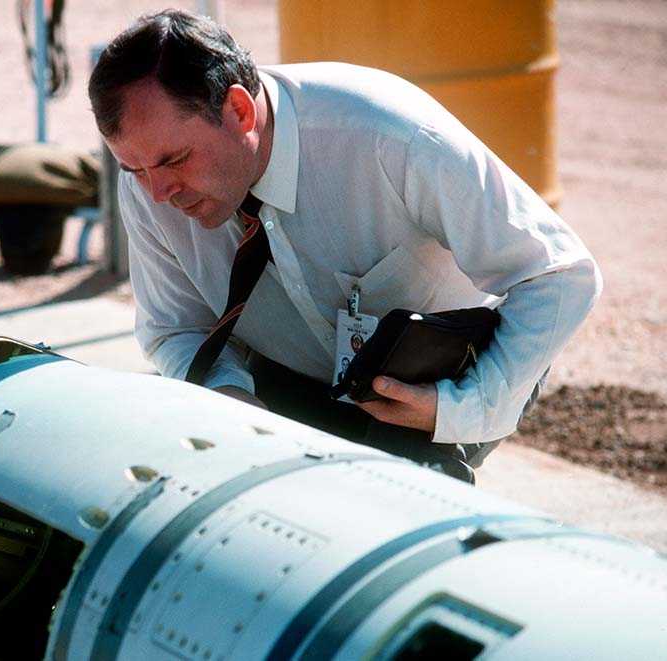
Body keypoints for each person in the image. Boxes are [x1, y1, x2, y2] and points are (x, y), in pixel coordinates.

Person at [87, 9, 601, 480]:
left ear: (240, 111)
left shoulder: (390, 135)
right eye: (134, 169)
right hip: (286, 375)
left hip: (433, 380)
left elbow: (558, 274)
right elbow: (176, 327)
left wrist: (461, 406)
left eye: (175, 160)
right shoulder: (150, 182)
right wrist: (228, 397)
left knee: (394, 508)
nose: (158, 193)